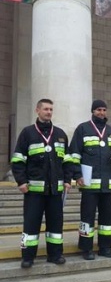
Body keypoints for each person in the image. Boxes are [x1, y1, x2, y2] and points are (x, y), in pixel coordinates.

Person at [11, 98, 73, 268]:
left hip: (55, 191)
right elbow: (18, 160)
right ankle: (28, 257)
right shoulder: (27, 133)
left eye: (51, 109)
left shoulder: (60, 134)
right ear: (37, 110)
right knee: (31, 224)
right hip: (33, 191)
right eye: (45, 109)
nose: (49, 112)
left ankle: (55, 255)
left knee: (55, 225)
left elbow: (67, 161)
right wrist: (21, 182)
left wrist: (68, 180)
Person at [69, 100, 111, 260]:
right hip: (89, 184)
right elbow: (74, 154)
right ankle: (86, 248)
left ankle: (105, 247)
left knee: (107, 219)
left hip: (107, 184)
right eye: (98, 109)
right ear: (92, 111)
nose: (102, 112)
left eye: (104, 109)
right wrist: (77, 175)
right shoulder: (83, 129)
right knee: (87, 218)